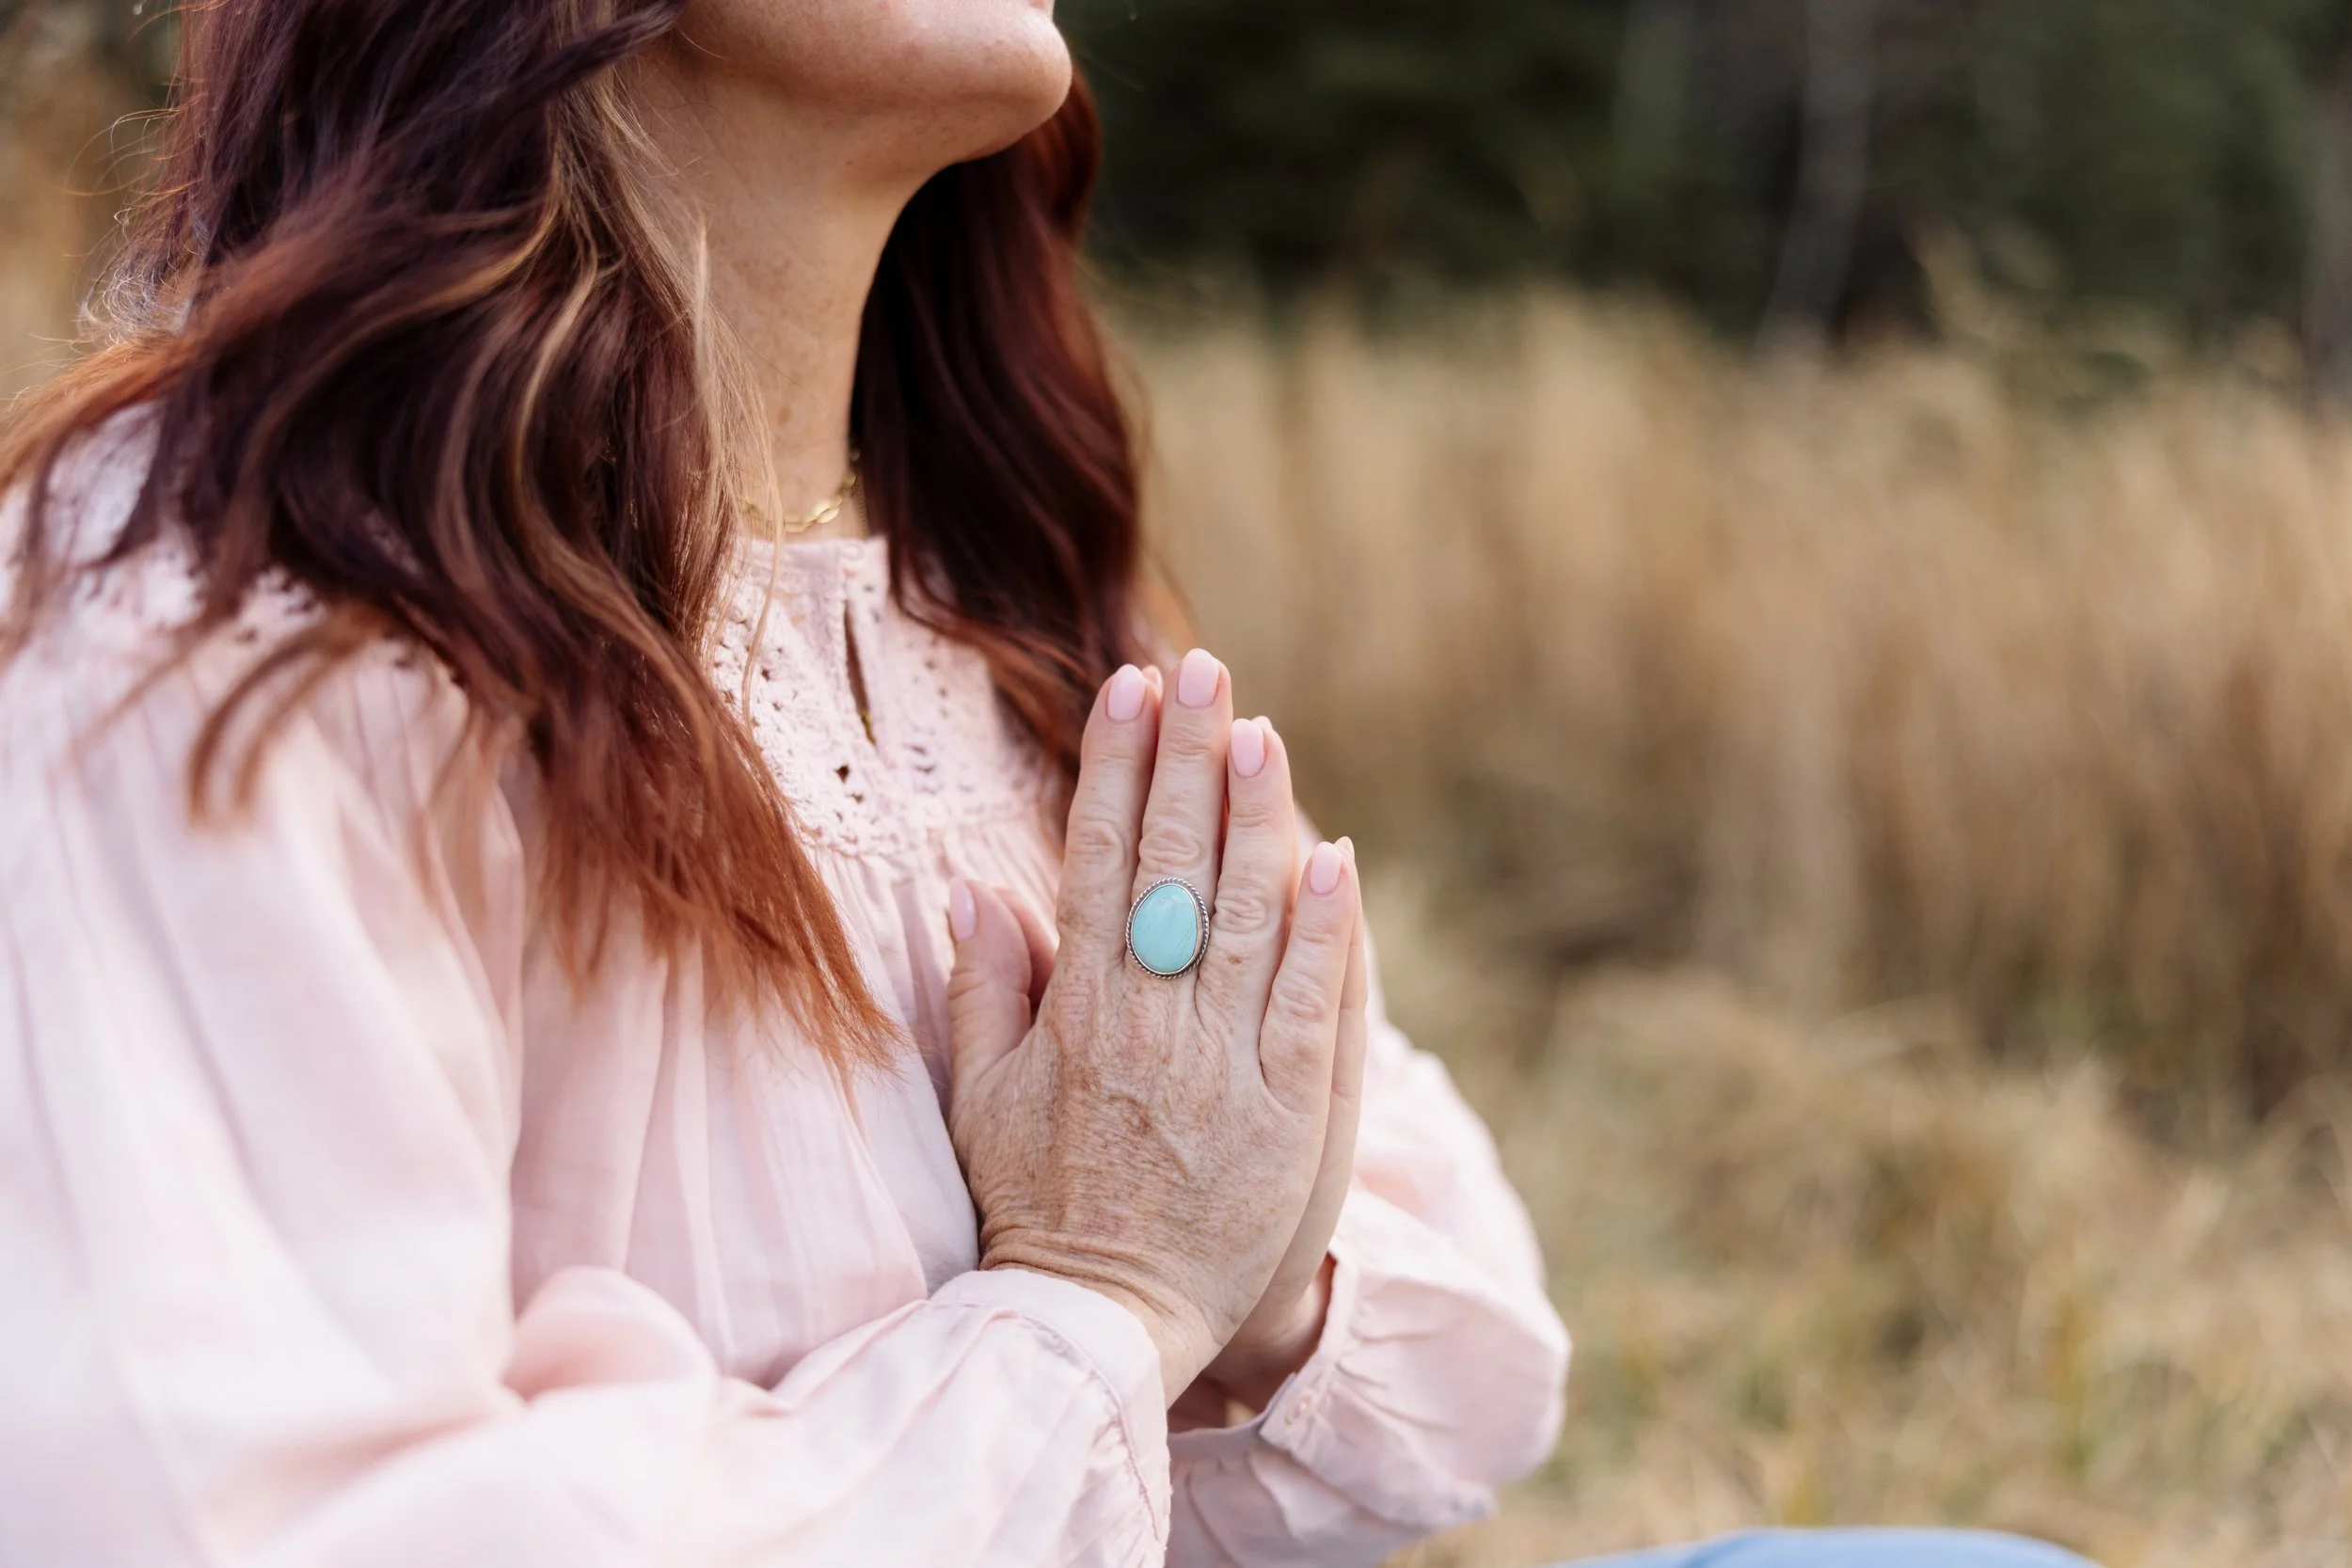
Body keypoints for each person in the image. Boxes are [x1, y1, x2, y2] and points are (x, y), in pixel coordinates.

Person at [0, 2, 2093, 1564]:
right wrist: (1091, 1312)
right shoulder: (219, 607)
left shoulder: (978, 597)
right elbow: (245, 1510)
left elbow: (1478, 1341)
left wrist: (1241, 1280)